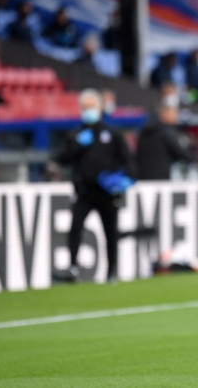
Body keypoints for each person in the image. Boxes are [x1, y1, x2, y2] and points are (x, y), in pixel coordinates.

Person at [53, 88, 135, 283]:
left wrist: (124, 180)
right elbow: (61, 160)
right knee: (75, 227)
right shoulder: (75, 135)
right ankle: (73, 267)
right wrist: (77, 145)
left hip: (107, 192)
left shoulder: (112, 134)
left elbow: (128, 161)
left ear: (99, 108)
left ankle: (111, 272)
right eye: (84, 107)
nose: (87, 111)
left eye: (90, 107)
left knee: (110, 231)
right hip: (84, 191)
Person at [137, 105, 191, 180]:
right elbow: (180, 153)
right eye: (174, 113)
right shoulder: (166, 132)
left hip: (143, 177)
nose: (176, 117)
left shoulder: (143, 131)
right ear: (165, 114)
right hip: (162, 178)